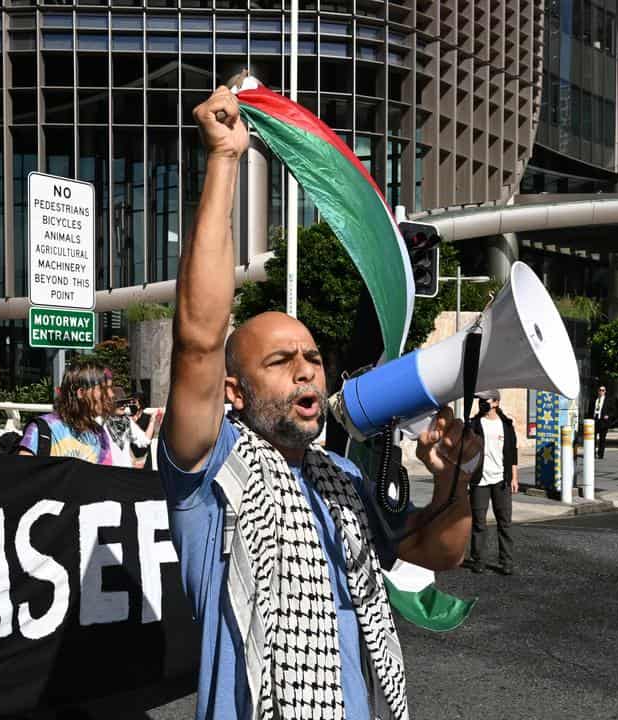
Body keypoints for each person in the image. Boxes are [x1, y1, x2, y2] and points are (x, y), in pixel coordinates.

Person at [159, 86, 480, 720]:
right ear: (233, 392)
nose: (306, 371)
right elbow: (198, 339)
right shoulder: (209, 471)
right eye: (279, 362)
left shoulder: (344, 479)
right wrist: (224, 160)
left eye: (311, 358)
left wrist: (454, 476)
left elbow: (440, 552)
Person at [17, 363, 115, 464]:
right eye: (104, 389)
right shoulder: (42, 429)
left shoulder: (99, 434)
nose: (111, 394)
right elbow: (25, 474)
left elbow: (104, 476)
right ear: (81, 393)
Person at [467, 390, 518, 575]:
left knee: (504, 522)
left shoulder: (506, 425)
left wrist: (514, 477)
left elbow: (512, 452)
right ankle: (478, 560)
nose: (481, 403)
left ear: (495, 402)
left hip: (501, 480)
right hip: (479, 480)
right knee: (479, 522)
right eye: (479, 400)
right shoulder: (473, 424)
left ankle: (506, 561)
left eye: (484, 400)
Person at [103, 389, 155, 469]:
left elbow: (145, 441)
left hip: (126, 471)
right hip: (108, 471)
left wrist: (152, 421)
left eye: (124, 403)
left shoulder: (127, 421)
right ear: (110, 404)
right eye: (119, 403)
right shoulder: (102, 422)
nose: (123, 406)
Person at [589, 385, 613, 459]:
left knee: (602, 439)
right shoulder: (594, 399)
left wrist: (608, 415)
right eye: (600, 390)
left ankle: (600, 454)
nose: (601, 392)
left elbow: (613, 410)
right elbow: (590, 410)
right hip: (595, 420)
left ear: (605, 392)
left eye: (603, 390)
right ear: (598, 391)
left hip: (603, 421)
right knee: (593, 439)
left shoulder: (608, 400)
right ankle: (592, 453)